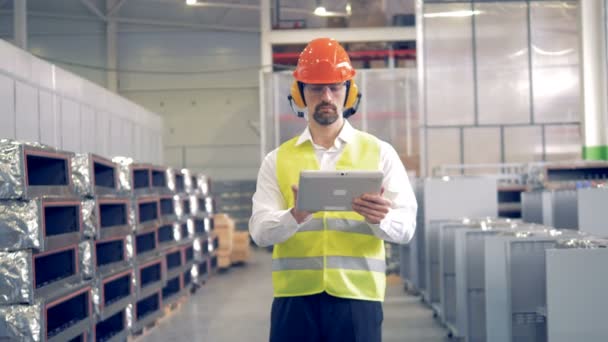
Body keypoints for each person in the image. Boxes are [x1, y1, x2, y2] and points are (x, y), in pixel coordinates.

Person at [249, 37, 418, 342]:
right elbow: (259, 233)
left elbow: (406, 229)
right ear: (300, 94)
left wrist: (380, 219)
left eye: (334, 87)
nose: (326, 96)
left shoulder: (381, 153)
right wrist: (294, 216)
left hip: (358, 301)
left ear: (348, 92)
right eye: (315, 88)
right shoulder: (277, 160)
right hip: (295, 301)